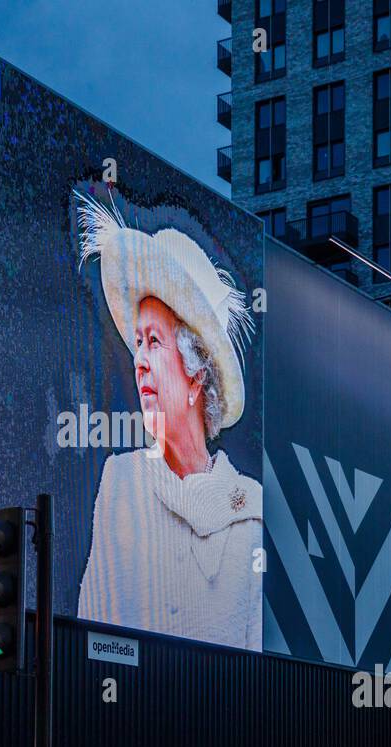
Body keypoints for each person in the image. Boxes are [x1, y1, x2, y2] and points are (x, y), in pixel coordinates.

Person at [74, 189, 262, 650]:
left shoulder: (251, 509)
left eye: (153, 342)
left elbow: (256, 667)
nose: (138, 361)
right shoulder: (121, 481)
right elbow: (90, 637)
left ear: (196, 373)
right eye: (136, 342)